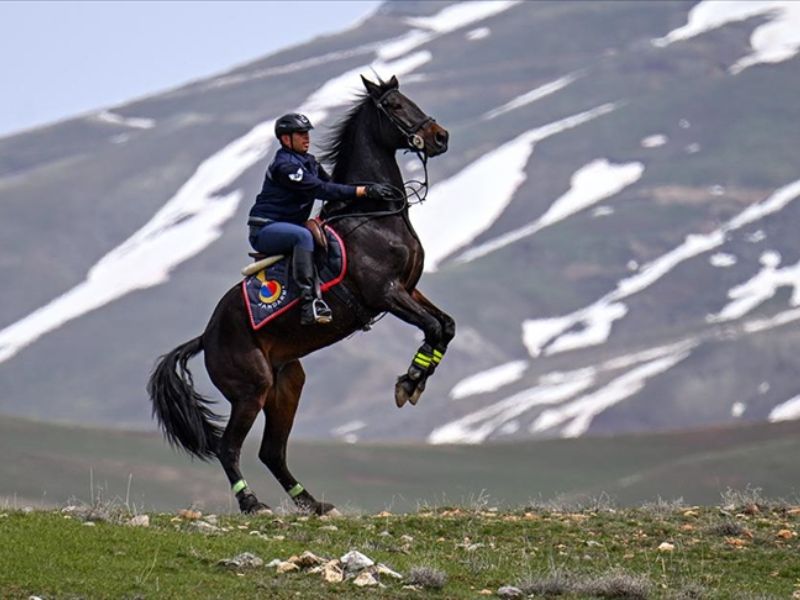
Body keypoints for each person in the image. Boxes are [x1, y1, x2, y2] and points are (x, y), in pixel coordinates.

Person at [248, 113, 395, 325]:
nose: (306, 137)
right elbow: (321, 189)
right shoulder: (285, 166)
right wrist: (363, 191)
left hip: (287, 226)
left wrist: (370, 194)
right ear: (285, 139)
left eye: (307, 133)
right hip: (264, 230)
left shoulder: (309, 162)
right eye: (300, 134)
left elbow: (333, 186)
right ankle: (309, 305)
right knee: (302, 238)